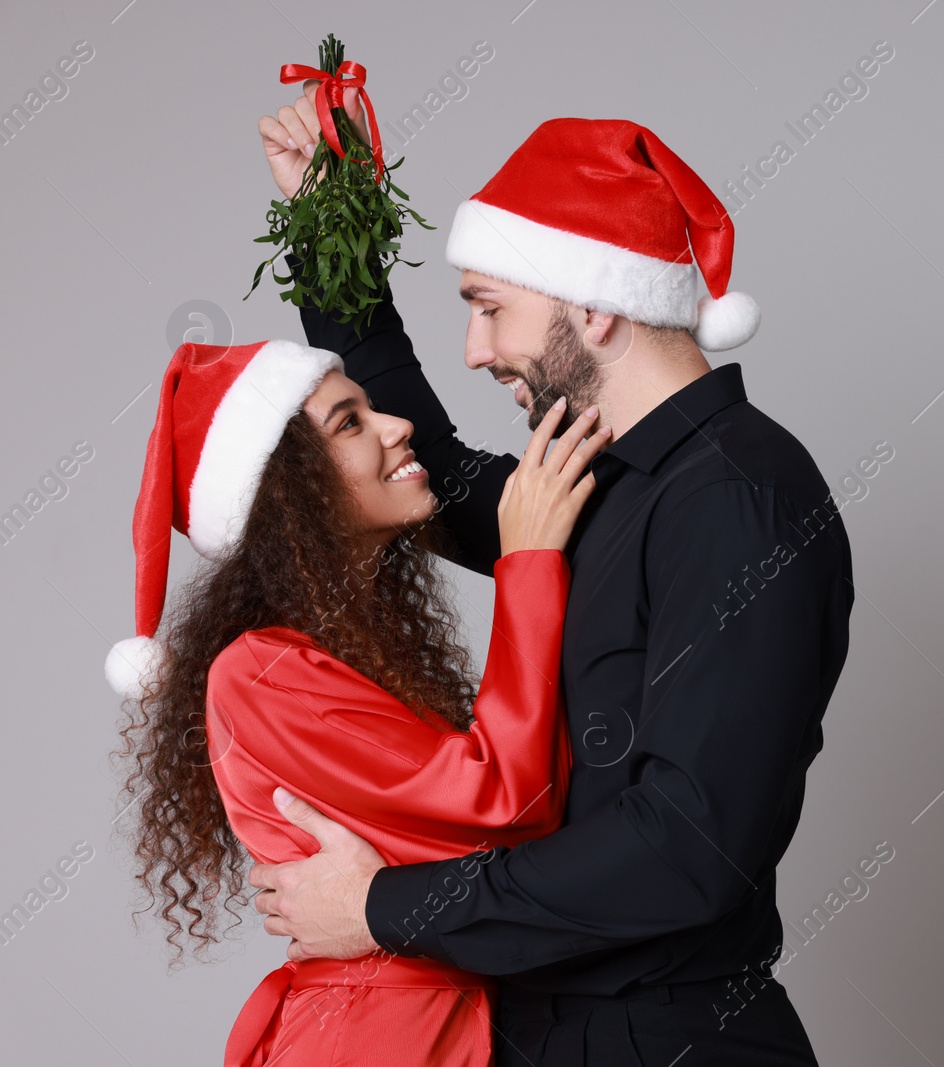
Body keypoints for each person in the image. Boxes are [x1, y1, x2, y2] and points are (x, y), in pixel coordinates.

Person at [246, 89, 855, 1063]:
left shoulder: (739, 499)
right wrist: (331, 226)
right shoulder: (595, 484)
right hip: (541, 1033)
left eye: (491, 310)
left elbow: (681, 845)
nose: (476, 350)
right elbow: (431, 469)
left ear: (594, 304)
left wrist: (380, 905)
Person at [107, 337, 611, 1065]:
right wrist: (527, 559)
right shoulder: (260, 674)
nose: (395, 425)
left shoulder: (340, 654)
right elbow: (506, 806)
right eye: (350, 422)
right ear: (289, 490)